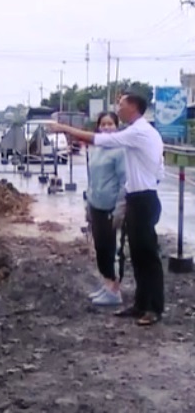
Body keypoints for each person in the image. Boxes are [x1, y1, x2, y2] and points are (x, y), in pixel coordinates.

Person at [50, 92, 165, 326]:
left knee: (148, 255)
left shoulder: (139, 131)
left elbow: (100, 140)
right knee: (138, 255)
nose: (118, 108)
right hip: (136, 198)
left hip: (143, 198)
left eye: (121, 105)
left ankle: (154, 308)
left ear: (133, 107)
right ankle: (141, 304)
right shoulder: (137, 131)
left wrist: (64, 128)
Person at [85, 112, 127, 306]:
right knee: (100, 247)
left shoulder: (120, 150)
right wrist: (88, 203)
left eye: (111, 124)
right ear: (98, 127)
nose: (107, 127)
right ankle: (107, 284)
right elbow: (91, 178)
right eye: (103, 124)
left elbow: (124, 182)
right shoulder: (95, 148)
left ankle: (115, 290)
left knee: (111, 249)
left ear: (117, 127)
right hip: (96, 205)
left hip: (110, 207)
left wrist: (119, 209)